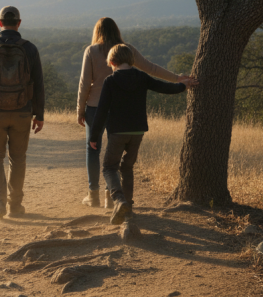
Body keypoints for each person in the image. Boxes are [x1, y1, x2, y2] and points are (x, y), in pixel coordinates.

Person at [77, 18, 197, 208]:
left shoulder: (91, 51)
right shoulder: (127, 49)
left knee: (93, 149)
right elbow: (151, 68)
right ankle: (111, 198)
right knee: (117, 155)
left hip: (94, 106)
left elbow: (84, 84)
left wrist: (80, 110)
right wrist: (177, 79)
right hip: (121, 108)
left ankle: (93, 195)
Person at [90, 44, 189, 224]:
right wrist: (183, 85)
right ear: (132, 60)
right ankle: (128, 207)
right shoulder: (142, 77)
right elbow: (164, 87)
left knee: (109, 168)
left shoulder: (110, 81)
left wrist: (93, 136)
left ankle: (119, 201)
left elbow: (102, 111)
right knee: (127, 167)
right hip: (137, 131)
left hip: (118, 131)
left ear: (112, 62)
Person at [0, 6, 45, 220]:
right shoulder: (30, 48)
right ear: (19, 23)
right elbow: (39, 84)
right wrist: (39, 115)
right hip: (23, 111)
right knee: (18, 158)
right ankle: (15, 205)